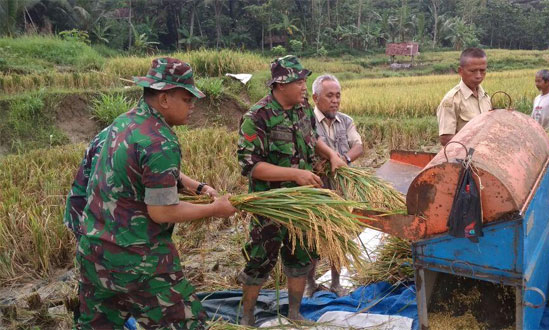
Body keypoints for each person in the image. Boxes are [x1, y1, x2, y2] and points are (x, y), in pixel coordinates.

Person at [74, 57, 237, 329]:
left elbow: (145, 169)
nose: (192, 106)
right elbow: (162, 212)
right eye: (186, 99)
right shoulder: (161, 140)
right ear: (164, 99)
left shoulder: (123, 123)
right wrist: (215, 209)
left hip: (94, 253)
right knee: (187, 323)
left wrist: (195, 186)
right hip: (139, 261)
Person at [237, 55, 347, 326]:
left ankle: (295, 314)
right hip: (272, 204)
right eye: (297, 81)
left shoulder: (302, 109)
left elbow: (313, 138)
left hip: (303, 202)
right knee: (260, 259)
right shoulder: (257, 116)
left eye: (303, 80)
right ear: (279, 85)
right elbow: (251, 166)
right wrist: (295, 174)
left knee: (301, 256)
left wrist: (331, 154)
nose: (302, 86)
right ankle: (247, 316)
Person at [305, 74, 363, 297]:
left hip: (339, 190)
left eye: (338, 95)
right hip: (314, 190)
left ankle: (336, 282)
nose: (335, 100)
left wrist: (344, 159)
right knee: (312, 237)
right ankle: (310, 283)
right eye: (329, 96)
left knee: (337, 235)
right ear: (315, 98)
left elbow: (358, 145)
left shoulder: (345, 121)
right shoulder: (306, 121)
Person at [437, 47, 492, 146]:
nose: (478, 75)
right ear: (460, 71)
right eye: (473, 71)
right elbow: (446, 139)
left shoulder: (485, 97)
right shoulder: (451, 100)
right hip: (461, 159)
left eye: (482, 70)